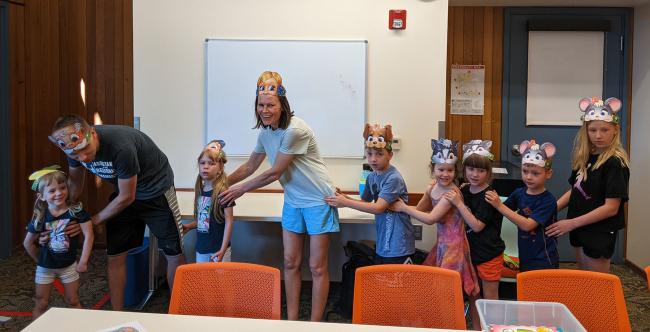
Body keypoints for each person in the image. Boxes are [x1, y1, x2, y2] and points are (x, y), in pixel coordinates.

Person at [218, 71, 339, 321]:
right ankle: (293, 322)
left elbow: (274, 172)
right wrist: (223, 184)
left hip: (319, 200)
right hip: (293, 201)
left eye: (271, 105)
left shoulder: (296, 130)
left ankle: (315, 325)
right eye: (261, 105)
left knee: (317, 267)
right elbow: (250, 166)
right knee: (290, 262)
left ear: (282, 105)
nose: (265, 110)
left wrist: (240, 189)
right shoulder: (265, 134)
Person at [46, 114, 185, 310]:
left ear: (93, 133)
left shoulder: (121, 147)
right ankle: (116, 314)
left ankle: (178, 311)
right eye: (76, 156)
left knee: (173, 252)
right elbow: (75, 183)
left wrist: (93, 221)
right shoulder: (72, 146)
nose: (83, 158)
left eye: (85, 150)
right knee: (115, 255)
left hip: (157, 192)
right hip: (124, 193)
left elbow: (127, 197)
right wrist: (62, 214)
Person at [546, 97, 630, 273]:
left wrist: (571, 223)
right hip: (580, 227)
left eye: (604, 130)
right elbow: (576, 190)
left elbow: (611, 208)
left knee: (597, 285)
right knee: (584, 278)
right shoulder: (586, 157)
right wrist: (550, 209)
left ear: (615, 130)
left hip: (599, 231)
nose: (598, 135)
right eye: (592, 130)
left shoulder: (614, 163)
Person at [391, 138, 480, 296]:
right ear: (433, 169)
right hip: (442, 244)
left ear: (455, 171)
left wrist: (404, 208)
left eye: (450, 170)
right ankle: (442, 318)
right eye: (441, 170)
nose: (445, 174)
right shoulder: (433, 187)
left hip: (454, 246)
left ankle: (451, 319)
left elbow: (430, 219)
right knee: (439, 285)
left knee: (447, 288)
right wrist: (422, 197)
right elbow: (420, 209)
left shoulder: (451, 194)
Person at [326, 123, 415, 265]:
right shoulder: (371, 177)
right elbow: (366, 202)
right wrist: (344, 198)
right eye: (369, 154)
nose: (373, 159)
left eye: (379, 154)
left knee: (398, 284)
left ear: (390, 155)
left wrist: (346, 202)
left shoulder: (393, 178)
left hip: (399, 244)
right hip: (383, 243)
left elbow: (378, 207)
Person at [23, 166, 94, 318]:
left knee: (73, 300)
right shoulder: (40, 216)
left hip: (68, 265)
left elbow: (89, 235)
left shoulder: (76, 211)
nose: (59, 193)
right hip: (45, 267)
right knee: (41, 303)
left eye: (62, 188)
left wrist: (83, 261)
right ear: (41, 196)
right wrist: (39, 260)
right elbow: (27, 243)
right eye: (52, 191)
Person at [485, 139, 559, 272]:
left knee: (543, 292)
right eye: (525, 171)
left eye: (535, 173)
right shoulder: (519, 193)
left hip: (544, 259)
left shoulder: (548, 200)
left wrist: (499, 206)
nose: (529, 177)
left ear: (548, 174)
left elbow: (527, 225)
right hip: (525, 256)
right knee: (526, 291)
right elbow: (499, 211)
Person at [455, 139, 505, 330]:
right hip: (470, 255)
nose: (475, 174)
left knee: (491, 300)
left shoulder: (489, 195)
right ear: (464, 169)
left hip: (489, 255)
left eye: (481, 170)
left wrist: (459, 204)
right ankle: (477, 329)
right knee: (474, 296)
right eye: (471, 169)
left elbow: (476, 226)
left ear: (488, 172)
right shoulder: (464, 189)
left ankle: (493, 329)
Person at [182, 146, 235, 263]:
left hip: (219, 250)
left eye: (211, 163)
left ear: (220, 168)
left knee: (221, 282)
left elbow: (229, 221)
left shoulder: (223, 192)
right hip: (202, 249)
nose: (205, 166)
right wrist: (189, 226)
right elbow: (205, 219)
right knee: (204, 281)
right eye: (202, 163)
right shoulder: (200, 190)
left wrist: (223, 249)